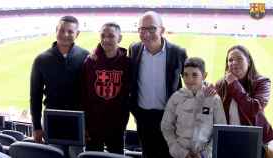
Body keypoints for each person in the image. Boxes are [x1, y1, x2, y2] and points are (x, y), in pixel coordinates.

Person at [129, 11, 187, 158]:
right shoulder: (134, 49)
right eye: (142, 29)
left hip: (168, 117)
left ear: (162, 30)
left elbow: (190, 80)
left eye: (152, 29)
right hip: (143, 117)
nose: (146, 34)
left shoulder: (177, 52)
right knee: (147, 154)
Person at [30, 16, 89, 157]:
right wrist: (37, 127)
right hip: (52, 119)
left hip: (78, 119)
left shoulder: (86, 56)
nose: (65, 34)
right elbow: (35, 96)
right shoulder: (41, 59)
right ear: (56, 31)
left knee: (77, 155)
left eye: (70, 31)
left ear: (77, 34)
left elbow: (89, 94)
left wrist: (89, 124)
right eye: (61, 30)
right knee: (54, 155)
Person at [161, 57, 226, 158]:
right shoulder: (176, 98)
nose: (189, 79)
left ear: (204, 75)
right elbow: (166, 127)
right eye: (185, 75)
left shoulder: (213, 99)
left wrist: (205, 154)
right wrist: (180, 151)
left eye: (195, 75)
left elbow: (221, 130)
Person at [81, 22, 130, 154]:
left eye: (111, 36)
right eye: (103, 35)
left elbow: (128, 94)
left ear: (119, 38)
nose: (106, 39)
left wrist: (123, 121)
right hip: (93, 125)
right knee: (92, 156)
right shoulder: (90, 62)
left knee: (116, 154)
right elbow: (84, 94)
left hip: (117, 125)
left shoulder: (127, 63)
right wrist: (84, 124)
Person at [215, 45, 273, 147]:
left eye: (239, 59)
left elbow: (254, 108)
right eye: (230, 60)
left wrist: (234, 84)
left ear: (249, 62)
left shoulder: (262, 82)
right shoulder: (221, 84)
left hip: (255, 139)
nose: (234, 63)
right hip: (228, 138)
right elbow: (214, 112)